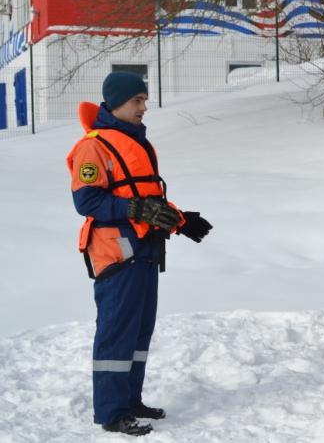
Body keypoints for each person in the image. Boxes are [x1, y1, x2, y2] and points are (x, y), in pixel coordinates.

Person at [67, 72, 213, 436]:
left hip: (146, 250)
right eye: (137, 100)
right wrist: (136, 210)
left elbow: (148, 198)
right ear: (116, 102)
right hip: (116, 252)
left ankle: (131, 399)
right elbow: (87, 200)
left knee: (138, 333)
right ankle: (112, 412)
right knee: (117, 332)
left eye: (144, 100)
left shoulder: (137, 143)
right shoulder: (94, 146)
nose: (144, 107)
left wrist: (180, 220)